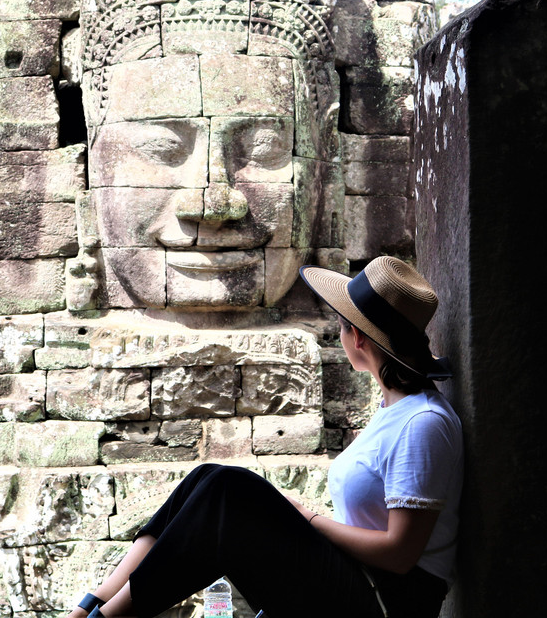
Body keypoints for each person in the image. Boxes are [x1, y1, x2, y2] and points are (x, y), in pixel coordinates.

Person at [66, 256, 463, 618]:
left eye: (342, 327)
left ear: (357, 338)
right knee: (207, 477)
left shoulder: (422, 423)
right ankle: (94, 604)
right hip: (357, 581)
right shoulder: (391, 412)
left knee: (228, 488)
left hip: (383, 602)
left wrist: (307, 518)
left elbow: (399, 555)